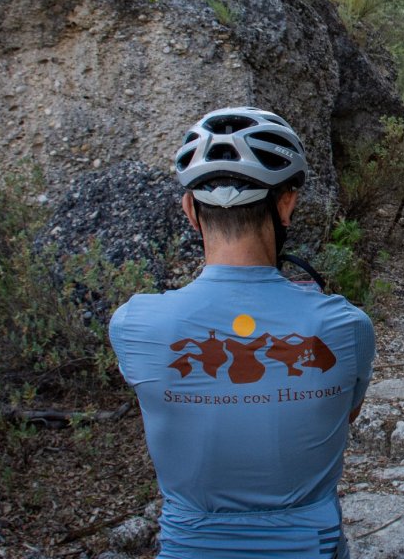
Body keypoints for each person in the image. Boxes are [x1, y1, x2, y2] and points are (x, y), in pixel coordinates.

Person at [110, 107, 375, 558]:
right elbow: (339, 417)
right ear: (286, 204)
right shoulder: (346, 327)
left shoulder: (135, 324)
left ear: (190, 210)